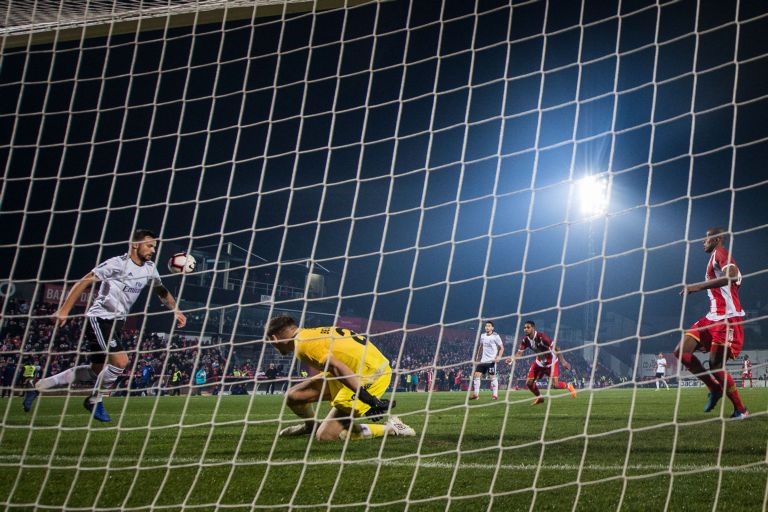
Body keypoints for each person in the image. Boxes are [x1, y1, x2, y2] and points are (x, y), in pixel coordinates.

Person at [34, 229, 186, 421]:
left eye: (154, 247)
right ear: (135, 245)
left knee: (96, 371)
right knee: (121, 362)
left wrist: (176, 309)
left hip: (118, 322)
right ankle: (94, 400)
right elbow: (86, 279)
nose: (153, 250)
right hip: (100, 318)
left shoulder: (149, 268)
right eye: (149, 245)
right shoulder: (117, 264)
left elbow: (160, 289)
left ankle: (40, 385)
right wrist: (64, 310)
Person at [265, 315, 415, 441]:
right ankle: (312, 426)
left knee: (326, 436)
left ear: (273, 338)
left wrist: (367, 398)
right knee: (294, 396)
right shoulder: (309, 334)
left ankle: (391, 428)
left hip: (371, 374)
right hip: (356, 368)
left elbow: (336, 367)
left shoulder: (302, 345)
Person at [676, 228, 748, 419]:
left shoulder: (721, 253)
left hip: (727, 318)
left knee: (715, 365)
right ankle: (714, 388)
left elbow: (731, 275)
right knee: (681, 352)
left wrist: (696, 287)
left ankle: (741, 409)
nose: (703, 242)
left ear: (716, 239)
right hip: (712, 317)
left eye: (706, 238)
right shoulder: (714, 258)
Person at [506, 320, 577, 405]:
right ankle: (540, 398)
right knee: (529, 383)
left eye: (528, 327)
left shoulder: (542, 337)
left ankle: (568, 386)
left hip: (551, 363)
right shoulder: (525, 340)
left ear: (533, 328)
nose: (525, 329)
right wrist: (512, 358)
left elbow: (557, 348)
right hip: (539, 363)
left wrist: (564, 362)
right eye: (524, 328)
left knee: (555, 385)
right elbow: (519, 353)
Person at [469, 321, 503, 400]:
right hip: (483, 360)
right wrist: (477, 356)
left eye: (489, 326)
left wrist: (499, 356)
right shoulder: (482, 335)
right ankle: (476, 395)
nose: (487, 327)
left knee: (492, 377)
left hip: (491, 361)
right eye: (486, 326)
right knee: (476, 375)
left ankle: (495, 395)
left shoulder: (496, 336)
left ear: (492, 328)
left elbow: (502, 348)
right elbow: (480, 346)